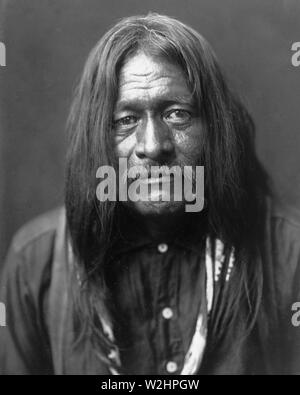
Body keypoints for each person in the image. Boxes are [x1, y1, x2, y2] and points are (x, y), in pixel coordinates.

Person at [1, 13, 300, 375]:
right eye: (125, 120)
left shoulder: (289, 251)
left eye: (177, 114)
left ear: (216, 129)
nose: (153, 146)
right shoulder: (37, 262)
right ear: (97, 139)